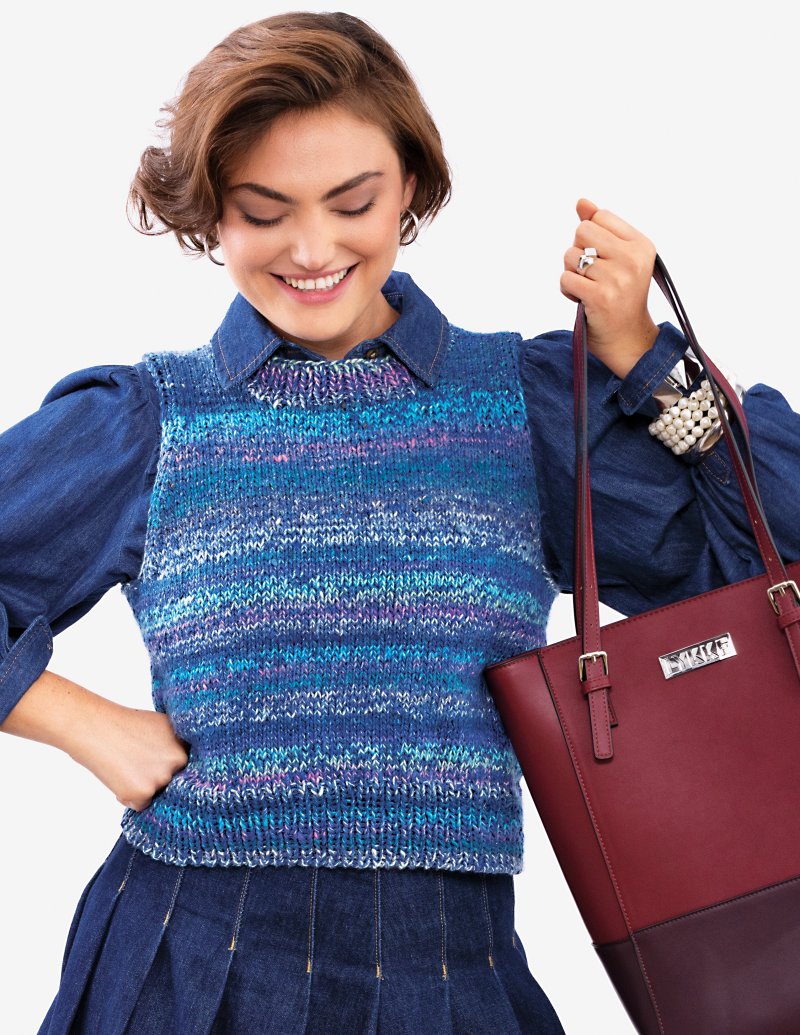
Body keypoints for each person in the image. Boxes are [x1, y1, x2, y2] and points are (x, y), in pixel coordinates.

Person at [2, 11, 798, 1035]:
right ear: (212, 215)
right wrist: (85, 725)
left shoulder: (517, 407)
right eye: (263, 211)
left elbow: (763, 566)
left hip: (451, 972)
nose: (311, 248)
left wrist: (645, 357)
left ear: (410, 186)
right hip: (188, 960)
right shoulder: (152, 420)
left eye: (352, 202)